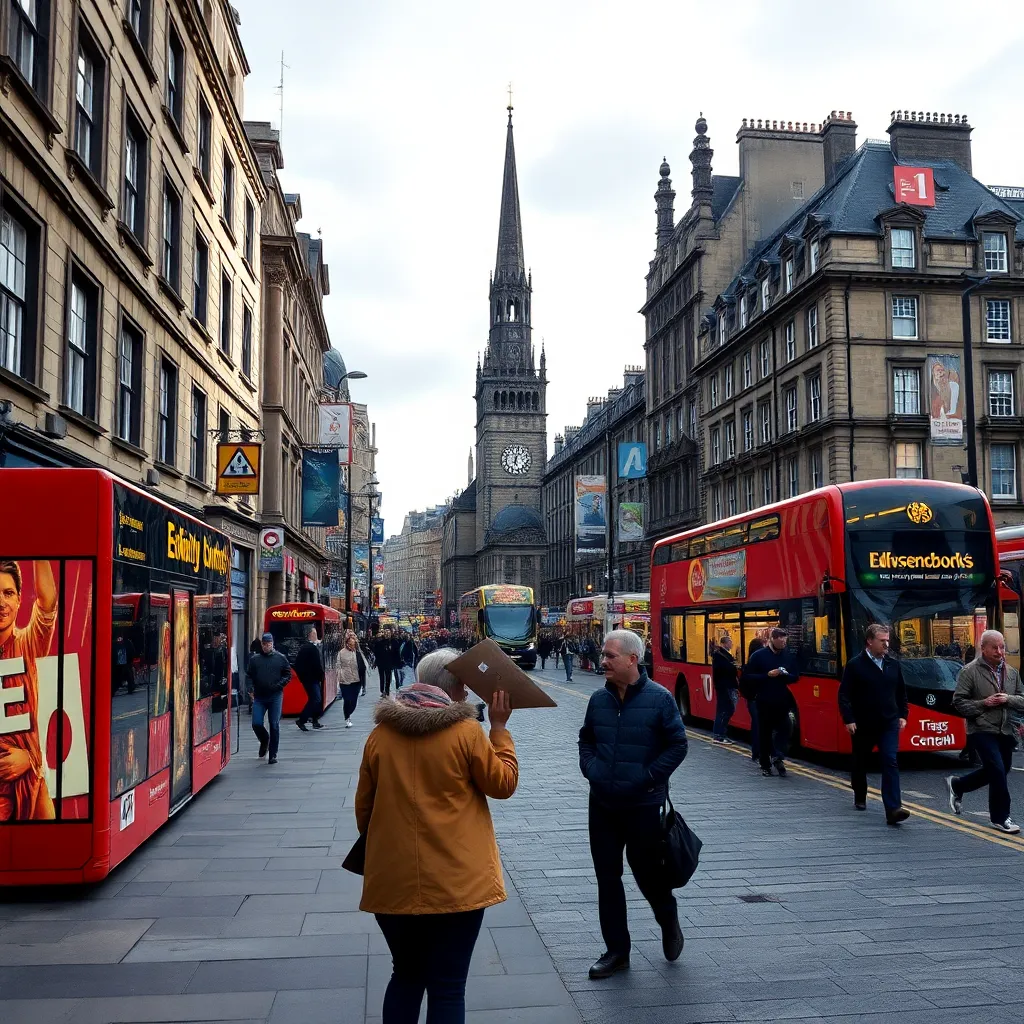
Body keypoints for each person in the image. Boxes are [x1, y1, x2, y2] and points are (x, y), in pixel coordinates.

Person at [355, 649, 518, 1023]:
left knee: (406, 974)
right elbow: (503, 783)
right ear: (457, 686)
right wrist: (499, 729)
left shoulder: (380, 735)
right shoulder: (466, 732)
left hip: (393, 879)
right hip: (456, 882)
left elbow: (364, 808)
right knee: (447, 985)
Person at [578, 629, 688, 980]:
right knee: (607, 878)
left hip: (642, 805)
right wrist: (592, 769)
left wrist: (647, 777)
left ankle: (667, 918)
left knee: (648, 875)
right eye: (603, 655)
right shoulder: (598, 699)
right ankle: (617, 952)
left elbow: (678, 745)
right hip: (603, 805)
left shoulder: (660, 699)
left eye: (610, 655)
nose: (603, 660)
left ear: (631, 659)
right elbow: (586, 741)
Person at [947, 630, 1024, 834]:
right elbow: (959, 703)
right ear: (984, 649)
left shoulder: (1012, 672)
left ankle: (958, 785)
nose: (1000, 651)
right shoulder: (969, 671)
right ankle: (1001, 818)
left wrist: (1008, 699)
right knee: (997, 770)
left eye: (1002, 647)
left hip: (1006, 730)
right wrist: (984, 703)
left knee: (998, 770)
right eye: (994, 647)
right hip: (981, 729)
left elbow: (1022, 700)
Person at [0, 560, 58, 820]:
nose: (1, 602)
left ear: (20, 599)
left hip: (31, 788)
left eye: (8, 593)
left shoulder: (28, 644)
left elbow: (48, 603)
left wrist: (29, 759)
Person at [837, 623, 910, 826]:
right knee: (860, 762)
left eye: (888, 640)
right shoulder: (855, 665)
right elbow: (844, 695)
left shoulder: (893, 665)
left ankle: (893, 809)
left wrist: (903, 714)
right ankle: (860, 794)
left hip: (888, 722)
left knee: (890, 760)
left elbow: (901, 693)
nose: (887, 644)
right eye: (882, 640)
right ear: (870, 641)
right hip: (863, 724)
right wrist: (848, 718)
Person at [744, 627, 800, 777]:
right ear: (772, 639)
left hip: (782, 700)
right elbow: (748, 677)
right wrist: (767, 675)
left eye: (785, 640)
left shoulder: (787, 656)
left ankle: (777, 754)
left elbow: (795, 676)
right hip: (763, 700)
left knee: (786, 728)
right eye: (781, 640)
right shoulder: (758, 656)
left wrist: (785, 675)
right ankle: (765, 765)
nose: (783, 643)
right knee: (765, 733)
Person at [246, 632, 291, 764]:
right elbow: (249, 676)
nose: (266, 646)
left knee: (274, 724)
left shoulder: (280, 658)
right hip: (259, 696)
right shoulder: (255, 660)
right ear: (262, 645)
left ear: (272, 644)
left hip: (275, 696)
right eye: (264, 644)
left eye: (269, 644)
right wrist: (250, 689)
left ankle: (273, 754)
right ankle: (264, 740)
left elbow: (287, 674)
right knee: (256, 723)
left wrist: (279, 685)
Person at [294, 626, 325, 732]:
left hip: (312, 678)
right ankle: (302, 720)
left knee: (316, 699)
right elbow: (314, 665)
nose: (316, 635)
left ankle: (315, 721)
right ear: (310, 635)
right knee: (315, 699)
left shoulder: (312, 647)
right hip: (311, 679)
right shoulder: (309, 648)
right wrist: (305, 677)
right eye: (314, 633)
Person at [739, 636, 765, 763]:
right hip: (755, 698)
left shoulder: (749, 663)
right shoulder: (756, 663)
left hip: (752, 699)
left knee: (757, 725)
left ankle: (757, 752)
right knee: (759, 725)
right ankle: (758, 752)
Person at [711, 634, 738, 743]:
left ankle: (720, 734)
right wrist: (733, 666)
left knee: (725, 709)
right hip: (724, 686)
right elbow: (723, 669)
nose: (731, 644)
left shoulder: (723, 654)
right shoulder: (720, 655)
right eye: (730, 642)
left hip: (726, 685)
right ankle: (719, 735)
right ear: (724, 643)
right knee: (725, 709)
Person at [339, 632, 367, 728]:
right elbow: (337, 666)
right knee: (347, 700)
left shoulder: (358, 653)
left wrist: (363, 683)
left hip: (356, 681)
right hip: (345, 681)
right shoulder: (341, 653)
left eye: (353, 644)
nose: (352, 646)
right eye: (350, 644)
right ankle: (347, 717)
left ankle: (348, 713)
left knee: (354, 702)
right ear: (346, 644)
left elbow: (363, 667)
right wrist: (341, 676)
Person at [373, 628, 396, 697]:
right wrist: (376, 661)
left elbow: (395, 652)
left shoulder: (393, 642)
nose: (387, 634)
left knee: (388, 677)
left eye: (388, 633)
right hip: (381, 662)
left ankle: (387, 690)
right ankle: (382, 690)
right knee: (382, 677)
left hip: (389, 662)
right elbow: (376, 652)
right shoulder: (379, 642)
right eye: (386, 633)